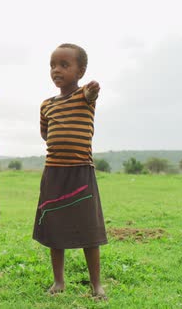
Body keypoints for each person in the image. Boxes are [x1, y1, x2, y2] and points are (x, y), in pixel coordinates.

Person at [33, 43, 108, 299]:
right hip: (54, 172)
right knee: (54, 228)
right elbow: (45, 133)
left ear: (81, 71)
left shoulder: (84, 96)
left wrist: (93, 89)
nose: (57, 70)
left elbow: (91, 94)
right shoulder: (46, 104)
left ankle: (97, 285)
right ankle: (58, 282)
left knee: (90, 230)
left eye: (64, 65)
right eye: (53, 65)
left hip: (81, 172)